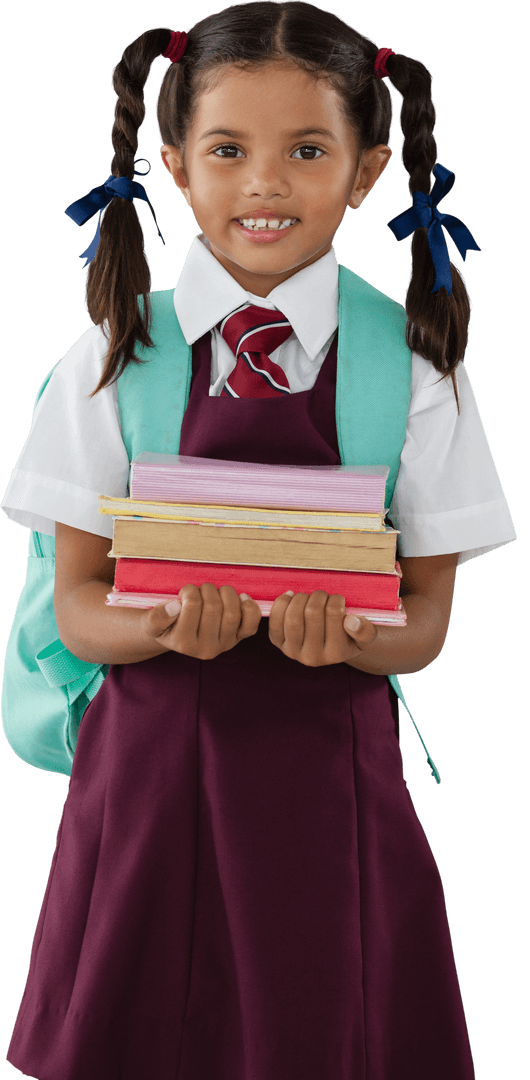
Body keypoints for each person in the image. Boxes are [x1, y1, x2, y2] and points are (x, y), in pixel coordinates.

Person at [1, 4, 516, 1079]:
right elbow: (78, 608)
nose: (264, 184)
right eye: (228, 151)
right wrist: (164, 627)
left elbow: (422, 627)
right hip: (144, 782)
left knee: (323, 1027)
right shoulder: (112, 358)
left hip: (327, 780)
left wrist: (351, 642)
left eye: (308, 151)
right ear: (176, 167)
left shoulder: (417, 370)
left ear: (369, 168)